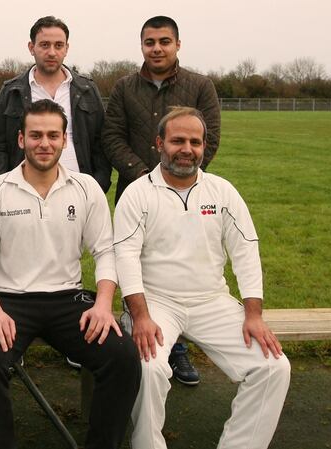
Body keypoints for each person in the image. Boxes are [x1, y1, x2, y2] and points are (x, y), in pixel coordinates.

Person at [114, 107, 291, 449]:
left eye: (195, 142)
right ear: (159, 143)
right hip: (157, 303)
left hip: (212, 300)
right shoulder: (138, 194)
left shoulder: (222, 192)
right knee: (148, 369)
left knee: (273, 367)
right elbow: (125, 256)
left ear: (204, 147)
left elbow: (246, 250)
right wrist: (141, 316)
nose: (186, 149)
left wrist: (253, 314)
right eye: (177, 140)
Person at [0, 99, 140, 449]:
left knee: (122, 357)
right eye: (35, 135)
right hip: (9, 301)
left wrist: (104, 304)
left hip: (69, 299)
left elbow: (106, 251)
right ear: (21, 140)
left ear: (65, 141)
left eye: (52, 135)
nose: (43, 143)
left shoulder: (87, 188)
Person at [102, 15, 222, 384]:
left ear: (177, 45)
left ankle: (178, 348)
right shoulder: (124, 87)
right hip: (134, 192)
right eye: (150, 42)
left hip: (187, 194)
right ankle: (140, 328)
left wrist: (173, 181)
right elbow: (112, 136)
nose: (157, 48)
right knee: (135, 262)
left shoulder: (200, 86)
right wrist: (147, 178)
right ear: (142, 45)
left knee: (180, 266)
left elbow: (210, 139)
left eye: (164, 41)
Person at [0, 16, 111, 193]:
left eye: (58, 45)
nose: (52, 52)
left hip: (79, 192)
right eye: (45, 45)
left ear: (66, 48)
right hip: (24, 192)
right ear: (32, 47)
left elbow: (101, 143)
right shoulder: (11, 91)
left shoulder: (87, 89)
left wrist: (98, 185)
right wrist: (6, 188)